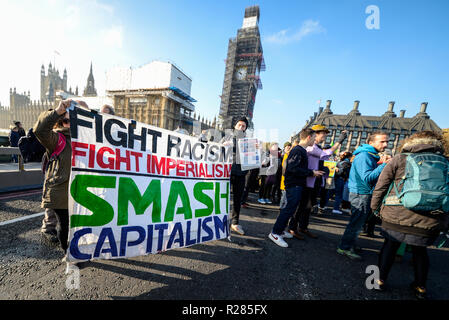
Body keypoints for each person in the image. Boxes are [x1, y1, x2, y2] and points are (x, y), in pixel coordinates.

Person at [370, 131, 449, 299]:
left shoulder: (400, 158)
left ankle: (378, 281)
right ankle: (420, 287)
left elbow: (381, 185)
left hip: (396, 213)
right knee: (420, 251)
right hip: (430, 217)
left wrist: (375, 208)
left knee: (389, 247)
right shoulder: (445, 163)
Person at [33, 99, 87, 270]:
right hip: (61, 191)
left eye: (76, 120)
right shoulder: (57, 138)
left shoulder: (90, 140)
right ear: (61, 121)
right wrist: (57, 111)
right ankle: (69, 253)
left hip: (84, 190)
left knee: (81, 223)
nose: (70, 124)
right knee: (65, 225)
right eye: (66, 120)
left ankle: (82, 249)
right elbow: (40, 130)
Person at [336, 131, 390, 260]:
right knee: (355, 223)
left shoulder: (370, 154)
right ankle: (344, 248)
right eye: (382, 141)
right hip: (361, 194)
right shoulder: (365, 155)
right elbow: (367, 177)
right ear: (371, 142)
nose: (386, 144)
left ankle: (349, 244)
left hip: (363, 193)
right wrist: (384, 165)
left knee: (358, 223)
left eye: (387, 141)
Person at [289, 125, 347, 239]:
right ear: (314, 135)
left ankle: (303, 227)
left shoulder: (317, 147)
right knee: (302, 206)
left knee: (309, 206)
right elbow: (327, 153)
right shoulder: (311, 147)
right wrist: (340, 140)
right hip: (308, 180)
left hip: (315, 180)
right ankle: (293, 228)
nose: (325, 135)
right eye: (323, 133)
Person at [268, 129, 324, 247]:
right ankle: (275, 232)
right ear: (308, 137)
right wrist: (311, 172)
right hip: (294, 184)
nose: (315, 141)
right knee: (289, 208)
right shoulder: (298, 150)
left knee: (291, 208)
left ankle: (281, 230)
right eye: (314, 138)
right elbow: (293, 168)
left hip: (297, 184)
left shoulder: (300, 150)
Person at [220, 117, 250, 235]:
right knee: (222, 198)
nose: (241, 127)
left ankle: (235, 222)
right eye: (239, 125)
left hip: (241, 174)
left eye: (243, 126)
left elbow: (252, 158)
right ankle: (219, 221)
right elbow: (214, 150)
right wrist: (222, 145)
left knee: (237, 200)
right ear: (235, 126)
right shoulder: (226, 137)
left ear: (246, 128)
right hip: (226, 173)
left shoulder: (248, 142)